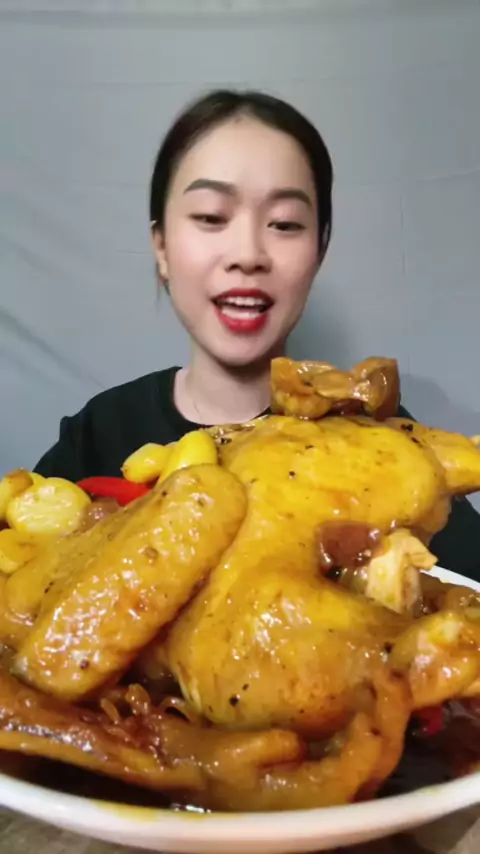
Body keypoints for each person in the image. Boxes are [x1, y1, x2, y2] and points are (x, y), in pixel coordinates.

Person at [34, 88, 480, 581]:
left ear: (319, 251)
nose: (247, 254)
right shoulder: (98, 435)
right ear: (161, 247)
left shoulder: (383, 442)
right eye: (210, 217)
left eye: (284, 224)